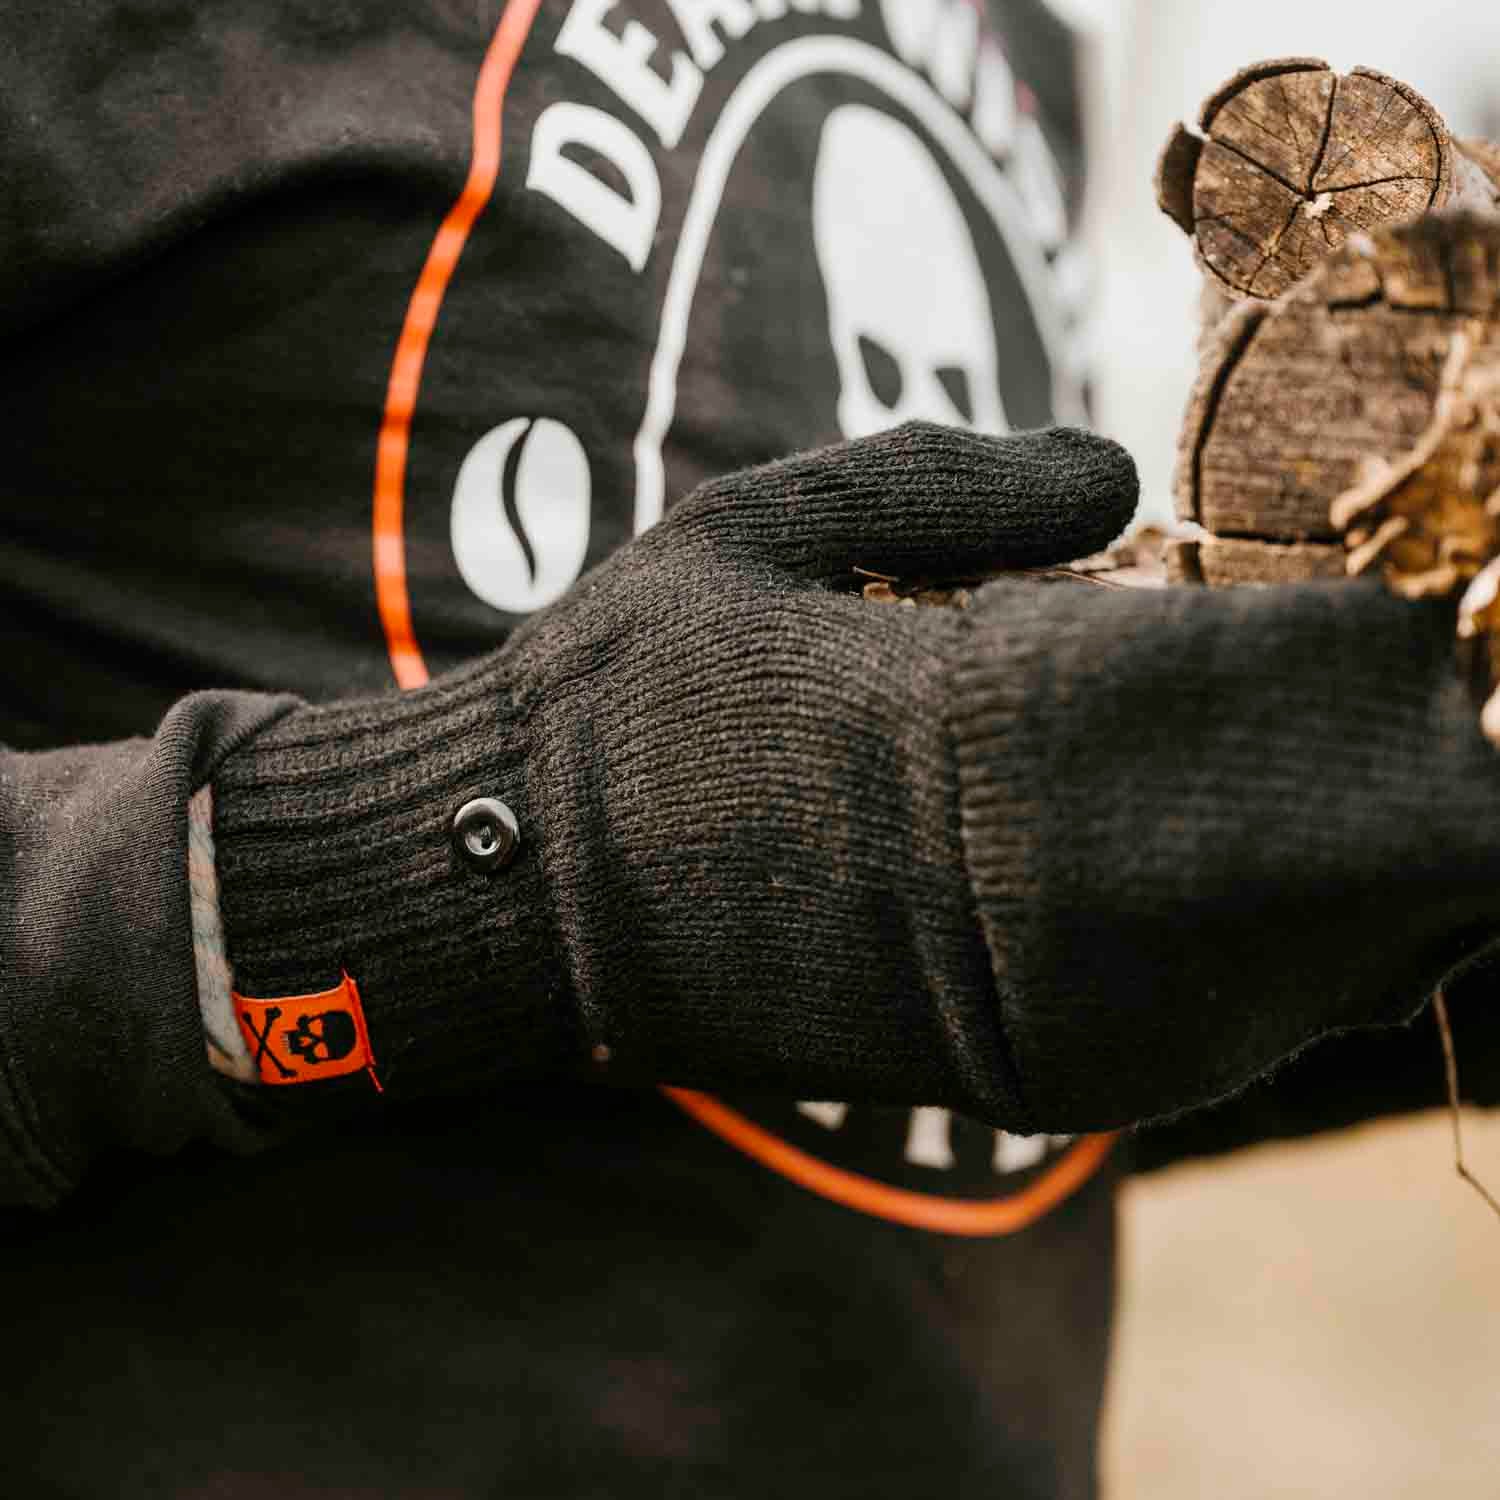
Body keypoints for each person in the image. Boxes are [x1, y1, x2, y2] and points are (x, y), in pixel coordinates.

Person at [3, 3, 1499, 1496]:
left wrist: (1363, 884)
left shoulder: (1015, 37)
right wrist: (521, 848)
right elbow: (674, 851)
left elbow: (912, 1010)